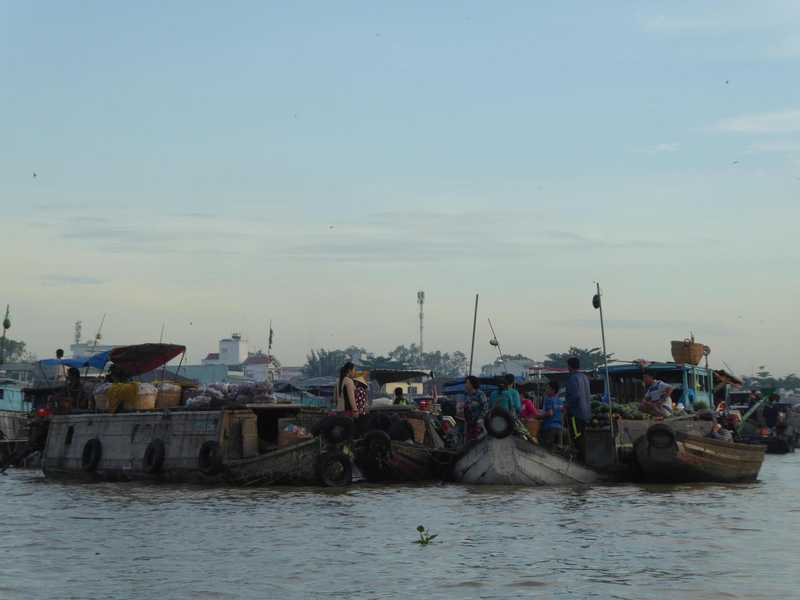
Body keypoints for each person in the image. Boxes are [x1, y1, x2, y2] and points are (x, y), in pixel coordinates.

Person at [565, 357, 591, 458]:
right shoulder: (584, 377)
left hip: (576, 414)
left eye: (568, 366)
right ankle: (584, 458)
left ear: (570, 366)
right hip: (586, 413)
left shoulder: (573, 378)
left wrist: (567, 405)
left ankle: (581, 460)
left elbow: (575, 395)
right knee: (583, 436)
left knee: (577, 437)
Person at [463, 375, 489, 442]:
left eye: (467, 383)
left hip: (478, 425)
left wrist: (481, 418)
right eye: (465, 383)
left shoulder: (480, 394)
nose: (465, 384)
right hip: (469, 424)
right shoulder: (467, 395)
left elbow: (486, 407)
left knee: (477, 443)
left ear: (472, 384)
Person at [540, 380, 563, 447]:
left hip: (550, 428)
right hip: (559, 429)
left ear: (553, 390)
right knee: (558, 452)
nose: (546, 390)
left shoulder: (549, 399)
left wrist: (539, 417)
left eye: (547, 388)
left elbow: (550, 413)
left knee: (547, 450)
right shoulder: (560, 401)